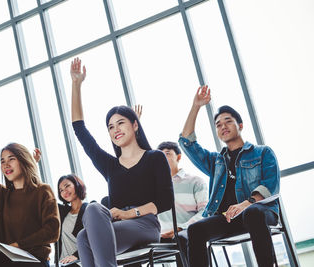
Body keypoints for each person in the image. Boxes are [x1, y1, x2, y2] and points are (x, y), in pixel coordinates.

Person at [70, 57, 174, 267]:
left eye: (120, 123)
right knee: (89, 217)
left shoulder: (155, 157)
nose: (115, 129)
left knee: (84, 237)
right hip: (116, 228)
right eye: (110, 127)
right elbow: (80, 130)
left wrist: (128, 213)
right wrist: (76, 84)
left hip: (145, 225)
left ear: (135, 125)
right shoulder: (110, 165)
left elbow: (164, 202)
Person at [179, 85, 280, 267]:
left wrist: (246, 204)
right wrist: (196, 106)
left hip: (260, 213)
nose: (223, 126)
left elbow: (270, 185)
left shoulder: (262, 152)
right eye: (218, 124)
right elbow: (186, 142)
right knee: (195, 229)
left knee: (253, 213)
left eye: (228, 121)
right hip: (226, 218)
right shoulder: (216, 162)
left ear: (240, 125)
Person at [0, 97, 60, 267]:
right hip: (6, 260)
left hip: (34, 261)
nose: (5, 164)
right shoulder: (0, 195)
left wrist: (18, 245)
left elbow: (52, 230)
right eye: (2, 161)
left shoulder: (42, 191)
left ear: (23, 161)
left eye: (11, 159)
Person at [157, 141, 208, 258]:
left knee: (180, 238)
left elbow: (205, 212)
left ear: (178, 157)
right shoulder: (154, 187)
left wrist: (181, 227)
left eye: (167, 154)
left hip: (186, 232)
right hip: (161, 236)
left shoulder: (196, 181)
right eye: (159, 157)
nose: (162, 159)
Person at [56, 174, 89, 267]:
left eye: (67, 186)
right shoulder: (62, 212)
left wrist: (77, 255)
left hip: (81, 262)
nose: (64, 191)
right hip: (63, 264)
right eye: (61, 190)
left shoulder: (89, 209)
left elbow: (94, 239)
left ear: (77, 185)